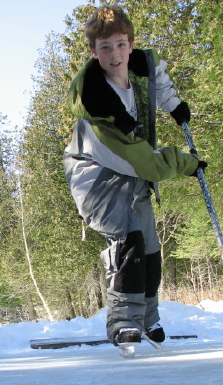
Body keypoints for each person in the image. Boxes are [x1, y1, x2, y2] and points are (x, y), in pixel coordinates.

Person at [63, 4, 206, 350]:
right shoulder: (96, 107)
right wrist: (188, 163)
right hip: (96, 180)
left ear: (130, 43)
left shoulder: (141, 66)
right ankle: (124, 323)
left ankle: (147, 317)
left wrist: (174, 106)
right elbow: (148, 164)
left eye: (121, 44)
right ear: (93, 52)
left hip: (132, 173)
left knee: (152, 248)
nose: (116, 55)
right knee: (130, 241)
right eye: (106, 47)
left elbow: (158, 80)